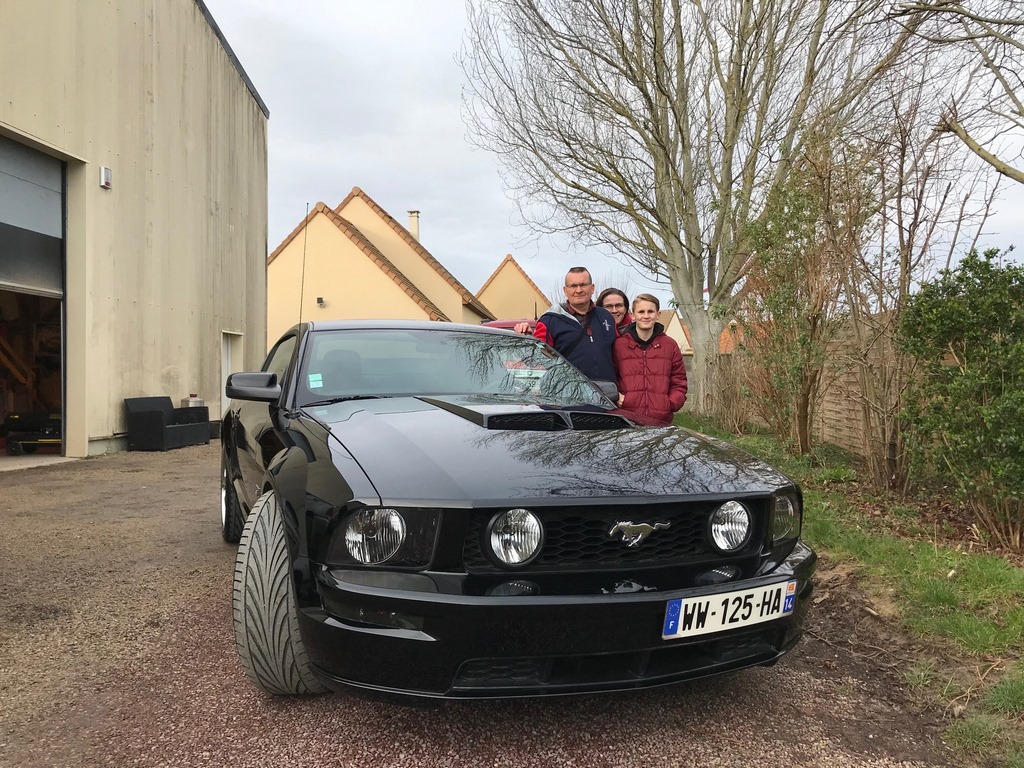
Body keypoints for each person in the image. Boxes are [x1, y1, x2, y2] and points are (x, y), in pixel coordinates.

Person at [514, 267, 618, 398]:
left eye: (583, 285)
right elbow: (534, 360)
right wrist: (528, 339)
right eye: (573, 286)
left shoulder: (606, 317)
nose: (578, 290)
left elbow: (619, 358)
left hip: (607, 398)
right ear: (565, 290)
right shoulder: (550, 320)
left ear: (592, 288)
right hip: (566, 399)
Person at [613, 293, 687, 426]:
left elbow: (679, 381)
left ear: (657, 315)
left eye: (650, 311)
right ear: (633, 315)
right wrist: (619, 397)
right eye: (641, 312)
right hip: (627, 419)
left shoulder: (670, 345)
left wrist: (670, 403)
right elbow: (610, 377)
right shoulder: (619, 345)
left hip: (660, 420)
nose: (646, 316)